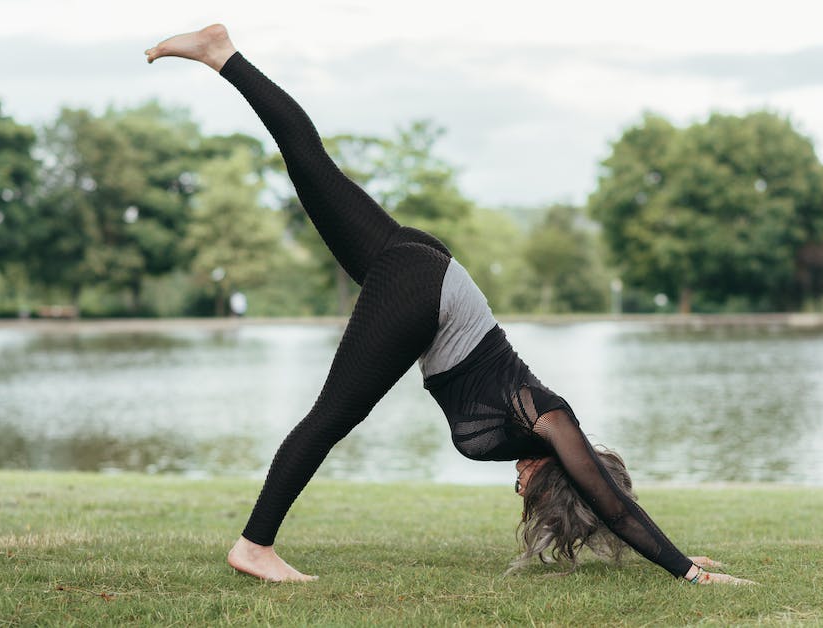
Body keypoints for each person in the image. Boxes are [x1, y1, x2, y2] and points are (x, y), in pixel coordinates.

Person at [145, 25, 753, 586]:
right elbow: (611, 502)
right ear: (561, 475)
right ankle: (254, 545)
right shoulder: (549, 420)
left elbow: (612, 497)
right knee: (331, 417)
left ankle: (221, 54)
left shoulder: (538, 430)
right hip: (421, 292)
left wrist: (681, 550)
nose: (521, 491)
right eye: (536, 491)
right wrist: (689, 574)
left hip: (425, 273)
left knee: (311, 166)